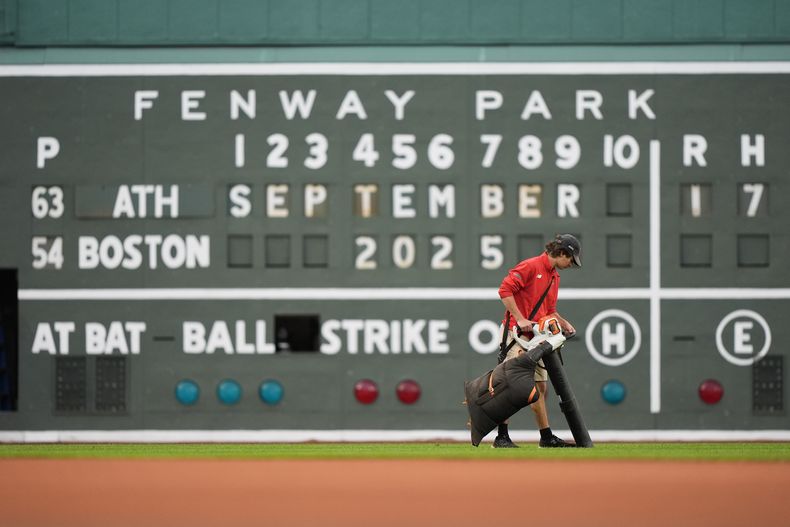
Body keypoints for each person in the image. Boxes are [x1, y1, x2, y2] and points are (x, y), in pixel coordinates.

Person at [492, 233, 581, 448]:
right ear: (562, 253)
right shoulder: (530, 266)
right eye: (571, 259)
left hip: (538, 338)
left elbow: (549, 310)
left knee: (540, 388)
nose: (571, 264)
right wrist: (521, 318)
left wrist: (564, 321)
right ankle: (501, 437)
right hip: (517, 336)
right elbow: (504, 290)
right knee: (511, 386)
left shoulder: (554, 277)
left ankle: (546, 437)